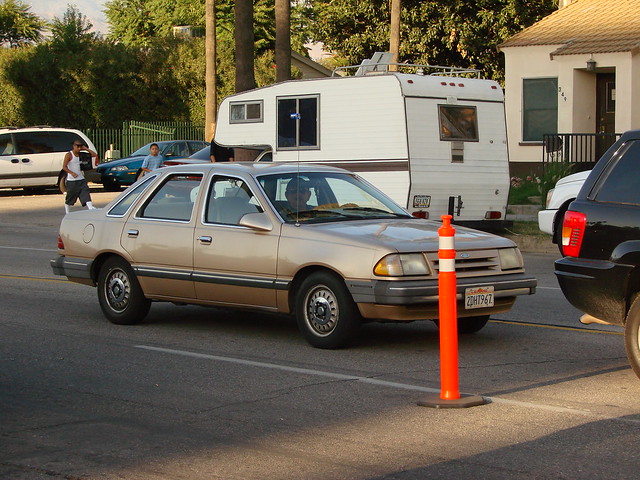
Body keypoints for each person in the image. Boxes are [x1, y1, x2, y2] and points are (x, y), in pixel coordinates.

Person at [62, 141, 98, 213]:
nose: (78, 148)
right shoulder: (69, 155)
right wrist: (72, 173)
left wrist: (86, 149)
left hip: (81, 179)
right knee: (70, 197)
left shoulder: (82, 155)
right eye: (77, 146)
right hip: (72, 181)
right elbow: (64, 167)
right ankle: (67, 211)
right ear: (73, 146)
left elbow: (94, 155)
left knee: (85, 193)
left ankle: (90, 207)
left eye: (80, 146)